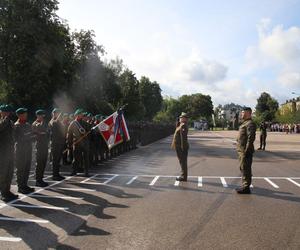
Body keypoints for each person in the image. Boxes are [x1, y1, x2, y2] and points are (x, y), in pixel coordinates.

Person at [14, 108, 35, 194]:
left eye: (26, 114)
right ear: (19, 115)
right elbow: (17, 138)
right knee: (21, 169)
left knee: (27, 168)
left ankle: (24, 185)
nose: (26, 115)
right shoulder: (16, 125)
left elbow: (30, 134)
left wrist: (33, 136)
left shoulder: (27, 124)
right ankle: (20, 187)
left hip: (28, 149)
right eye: (24, 114)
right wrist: (28, 136)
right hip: (20, 150)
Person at [0, 104, 18, 202]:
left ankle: (7, 191)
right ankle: (3, 193)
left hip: (10, 150)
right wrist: (5, 120)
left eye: (9, 112)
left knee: (9, 172)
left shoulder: (10, 122)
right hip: (2, 152)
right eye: (6, 111)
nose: (8, 113)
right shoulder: (3, 121)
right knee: (3, 172)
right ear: (1, 112)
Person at [236, 107, 256, 194]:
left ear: (248, 113)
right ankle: (245, 185)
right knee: (243, 167)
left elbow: (250, 138)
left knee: (245, 168)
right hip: (242, 150)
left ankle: (246, 187)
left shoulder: (250, 124)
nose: (241, 114)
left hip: (245, 150)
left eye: (243, 113)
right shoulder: (245, 123)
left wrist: (247, 150)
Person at [67, 109, 91, 176]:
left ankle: (86, 172)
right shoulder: (73, 124)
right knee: (76, 158)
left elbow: (89, 132)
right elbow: (69, 134)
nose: (82, 115)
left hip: (85, 143)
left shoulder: (85, 123)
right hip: (77, 143)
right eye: (81, 114)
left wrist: (88, 133)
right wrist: (69, 144)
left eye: (82, 114)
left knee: (86, 158)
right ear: (77, 115)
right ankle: (74, 171)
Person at [32, 109, 49, 187]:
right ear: (38, 115)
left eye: (43, 115)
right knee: (39, 164)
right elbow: (39, 132)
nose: (43, 116)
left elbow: (46, 132)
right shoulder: (35, 124)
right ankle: (38, 180)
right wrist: (42, 132)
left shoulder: (44, 123)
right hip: (39, 146)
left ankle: (41, 179)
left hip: (44, 145)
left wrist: (43, 132)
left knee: (43, 163)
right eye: (41, 115)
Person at [171, 112, 189, 182]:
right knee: (182, 161)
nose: (180, 118)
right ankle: (183, 175)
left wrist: (183, 147)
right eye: (180, 117)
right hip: (179, 147)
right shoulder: (181, 125)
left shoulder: (183, 126)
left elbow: (183, 138)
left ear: (184, 119)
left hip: (182, 147)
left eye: (181, 117)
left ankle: (183, 177)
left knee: (183, 162)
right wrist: (178, 122)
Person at [49, 108, 65, 181]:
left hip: (59, 143)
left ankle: (57, 174)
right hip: (55, 143)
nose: (59, 115)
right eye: (57, 113)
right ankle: (54, 175)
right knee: (55, 160)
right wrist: (58, 119)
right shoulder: (53, 121)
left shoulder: (58, 121)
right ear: (54, 113)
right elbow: (54, 125)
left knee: (58, 160)